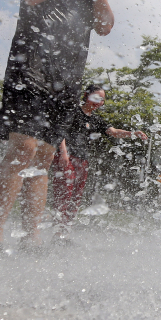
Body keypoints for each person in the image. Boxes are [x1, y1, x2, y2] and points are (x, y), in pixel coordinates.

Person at [0, 0, 116, 247]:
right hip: (30, 67)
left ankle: (32, 239)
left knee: (44, 155)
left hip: (68, 79)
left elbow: (105, 26)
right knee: (23, 148)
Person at [51, 84, 147, 224]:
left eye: (102, 100)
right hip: (67, 157)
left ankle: (65, 232)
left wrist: (133, 133)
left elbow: (113, 132)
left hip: (82, 160)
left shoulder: (96, 119)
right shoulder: (73, 111)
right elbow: (61, 131)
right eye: (96, 98)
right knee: (64, 193)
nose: (99, 102)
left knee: (76, 196)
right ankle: (57, 229)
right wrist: (63, 153)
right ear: (86, 96)